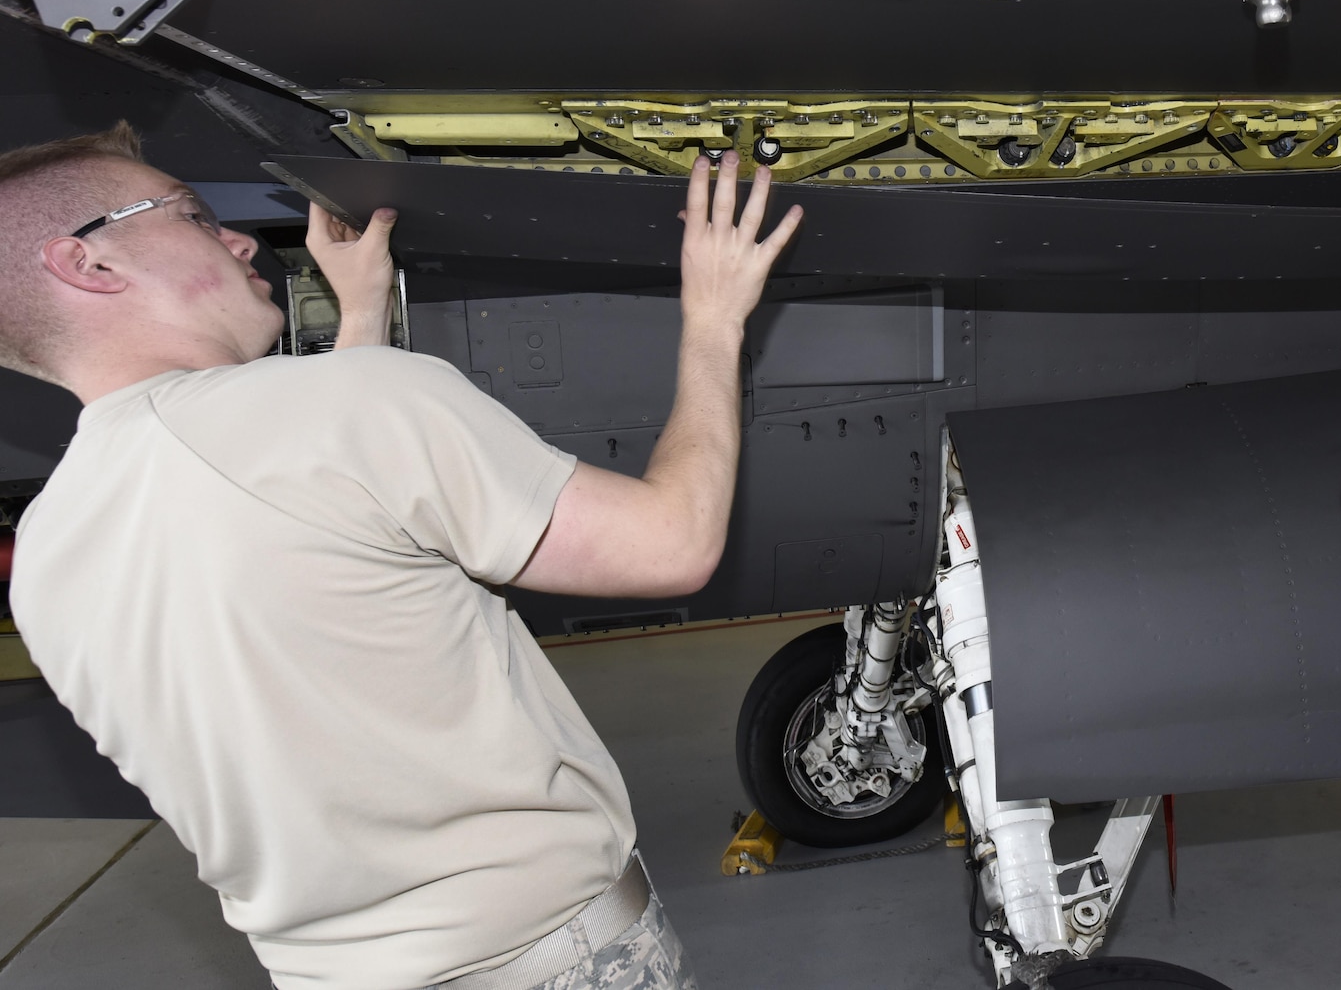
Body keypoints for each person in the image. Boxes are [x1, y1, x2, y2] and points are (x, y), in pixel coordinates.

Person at [2, 123, 802, 990]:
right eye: (192, 215)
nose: (237, 238)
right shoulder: (349, 410)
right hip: (554, 961)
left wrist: (360, 323)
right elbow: (671, 543)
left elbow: (329, 548)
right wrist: (716, 316)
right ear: (86, 265)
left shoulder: (45, 551)